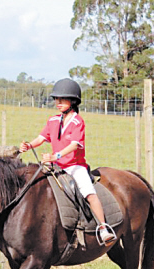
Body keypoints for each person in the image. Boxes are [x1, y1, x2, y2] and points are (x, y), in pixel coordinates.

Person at [19, 78, 116, 245]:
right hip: (56, 166)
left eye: (62, 99)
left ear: (73, 101)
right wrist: (29, 145)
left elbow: (73, 145)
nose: (58, 103)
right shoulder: (52, 120)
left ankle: (103, 227)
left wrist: (55, 156)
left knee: (89, 193)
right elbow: (41, 138)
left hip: (75, 167)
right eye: (56, 99)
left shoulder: (78, 122)